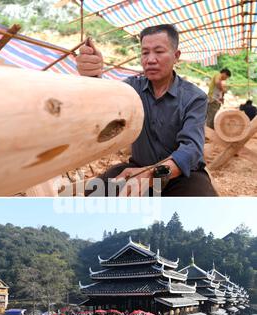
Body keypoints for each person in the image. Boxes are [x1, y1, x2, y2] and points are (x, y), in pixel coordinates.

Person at [76, 24, 217, 197]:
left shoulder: (194, 98)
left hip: (181, 176)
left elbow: (191, 149)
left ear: (176, 56)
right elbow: (106, 104)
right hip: (137, 168)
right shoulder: (130, 87)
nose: (150, 59)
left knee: (202, 201)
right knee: (94, 192)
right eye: (145, 53)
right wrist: (93, 77)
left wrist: (150, 174)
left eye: (159, 51)